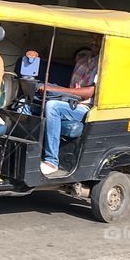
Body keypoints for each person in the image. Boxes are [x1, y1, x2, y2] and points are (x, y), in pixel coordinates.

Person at [38, 35, 100, 176]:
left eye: (98, 39)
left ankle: (51, 161)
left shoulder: (104, 65)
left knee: (52, 106)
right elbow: (64, 62)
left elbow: (88, 93)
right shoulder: (84, 59)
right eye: (93, 38)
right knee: (27, 105)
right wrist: (41, 57)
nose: (93, 42)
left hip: (84, 107)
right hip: (69, 102)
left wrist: (55, 89)